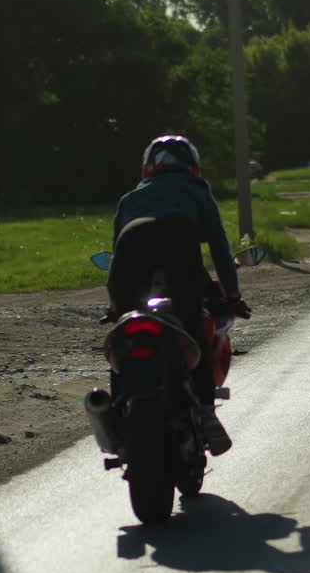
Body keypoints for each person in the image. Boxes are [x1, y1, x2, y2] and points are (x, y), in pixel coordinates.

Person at [107, 134, 251, 456]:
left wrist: (116, 305)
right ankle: (205, 411)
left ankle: (118, 407)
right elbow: (218, 246)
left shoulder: (129, 199)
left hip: (132, 248)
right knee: (191, 328)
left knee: (124, 331)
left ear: (148, 170)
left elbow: (118, 258)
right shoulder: (197, 191)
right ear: (193, 168)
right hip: (178, 245)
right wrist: (232, 294)